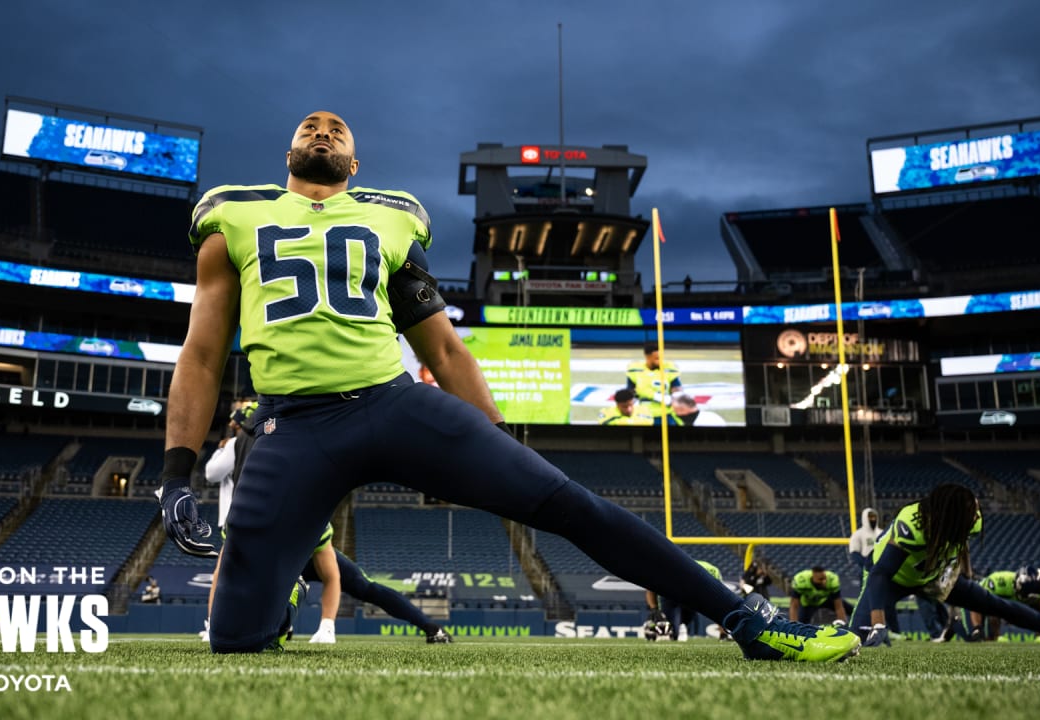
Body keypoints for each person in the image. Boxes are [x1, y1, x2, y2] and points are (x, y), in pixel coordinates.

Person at [155, 109, 860, 661]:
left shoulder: (390, 221)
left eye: (337, 129)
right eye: (310, 126)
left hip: (393, 404)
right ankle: (271, 601)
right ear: (289, 154)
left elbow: (445, 349)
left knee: (569, 504)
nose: (323, 129)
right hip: (291, 426)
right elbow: (203, 353)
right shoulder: (234, 217)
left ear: (354, 162)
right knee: (236, 639)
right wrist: (176, 475)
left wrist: (491, 444)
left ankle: (749, 619)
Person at [849, 483, 1040, 648]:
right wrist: (878, 623)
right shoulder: (913, 523)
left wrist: (964, 573)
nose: (977, 516)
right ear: (951, 516)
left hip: (933, 574)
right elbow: (880, 573)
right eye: (972, 512)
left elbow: (962, 544)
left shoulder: (972, 522)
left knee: (996, 604)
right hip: (892, 578)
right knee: (854, 641)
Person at [303, 523, 451, 644]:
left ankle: (430, 627)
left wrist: (327, 625)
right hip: (287, 562)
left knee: (365, 587)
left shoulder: (317, 527)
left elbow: (332, 578)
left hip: (314, 557)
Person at [967, 567, 1040, 642]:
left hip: (1001, 602)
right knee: (975, 637)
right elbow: (976, 602)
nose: (1026, 600)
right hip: (976, 603)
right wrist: (978, 628)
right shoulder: (999, 581)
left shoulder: (1036, 591)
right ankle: (991, 635)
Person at [647, 560, 722, 641]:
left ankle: (678, 628)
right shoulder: (666, 570)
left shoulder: (712, 572)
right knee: (671, 631)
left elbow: (719, 605)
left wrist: (723, 631)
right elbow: (651, 589)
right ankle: (658, 628)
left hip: (692, 597)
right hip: (671, 595)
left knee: (679, 627)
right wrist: (654, 609)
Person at [625, 344, 681, 410]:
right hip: (644, 412)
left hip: (665, 413)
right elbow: (631, 393)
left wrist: (673, 398)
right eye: (657, 358)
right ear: (647, 357)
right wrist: (658, 397)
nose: (660, 361)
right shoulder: (635, 370)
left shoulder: (669, 368)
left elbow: (677, 392)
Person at [848, 507, 884, 581]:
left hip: (881, 566)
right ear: (865, 518)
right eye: (870, 517)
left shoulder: (882, 533)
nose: (873, 519)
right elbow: (854, 552)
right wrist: (866, 564)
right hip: (866, 567)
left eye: (874, 517)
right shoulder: (858, 534)